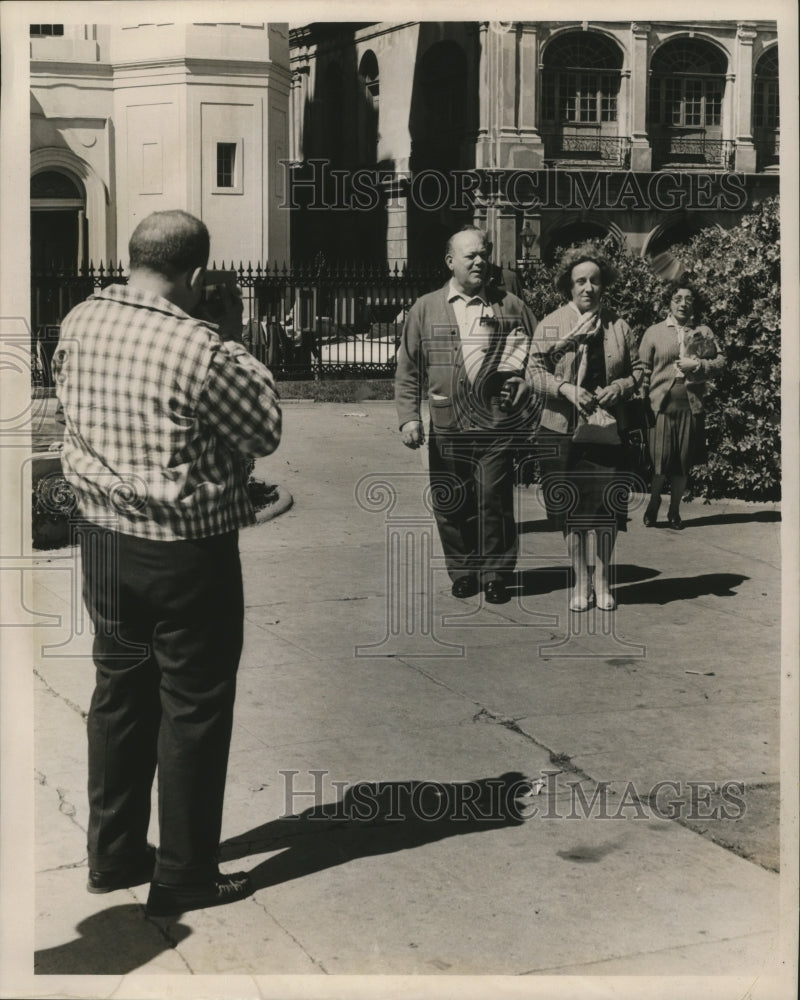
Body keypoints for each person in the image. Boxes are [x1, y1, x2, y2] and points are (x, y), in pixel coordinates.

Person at [52, 210, 282, 916]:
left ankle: (113, 851)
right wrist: (232, 333)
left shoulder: (79, 320)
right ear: (200, 275)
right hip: (185, 553)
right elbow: (264, 428)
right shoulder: (201, 349)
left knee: (120, 692)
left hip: (104, 540)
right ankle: (185, 872)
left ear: (133, 257)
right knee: (192, 707)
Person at [395, 225, 537, 604]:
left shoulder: (511, 305)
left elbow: (537, 356)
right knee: (451, 501)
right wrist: (409, 417)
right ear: (450, 261)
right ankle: (463, 571)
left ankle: (496, 575)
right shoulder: (425, 308)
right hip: (447, 425)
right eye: (470, 255)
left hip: (495, 423)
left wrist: (525, 382)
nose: (479, 261)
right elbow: (408, 368)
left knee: (495, 500)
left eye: (483, 253)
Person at [528, 245, 644, 612]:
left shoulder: (619, 326)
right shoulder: (551, 324)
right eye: (580, 281)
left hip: (607, 432)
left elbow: (639, 370)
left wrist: (620, 387)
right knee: (573, 514)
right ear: (568, 286)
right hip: (562, 432)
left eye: (595, 281)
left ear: (604, 284)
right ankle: (580, 581)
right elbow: (532, 372)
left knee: (608, 513)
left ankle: (604, 580)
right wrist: (565, 388)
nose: (588, 288)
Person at [639, 281, 725, 529]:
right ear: (669, 302)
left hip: (690, 404)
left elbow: (720, 362)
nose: (683, 303)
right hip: (661, 405)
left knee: (682, 462)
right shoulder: (654, 332)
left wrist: (698, 366)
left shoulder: (703, 332)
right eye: (677, 298)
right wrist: (642, 403)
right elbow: (643, 370)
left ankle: (674, 512)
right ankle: (654, 503)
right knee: (659, 461)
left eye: (688, 299)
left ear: (694, 304)